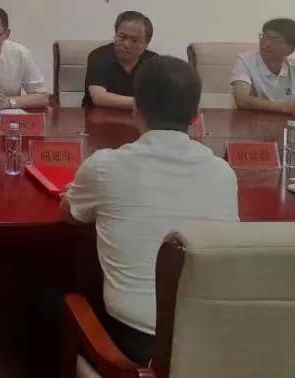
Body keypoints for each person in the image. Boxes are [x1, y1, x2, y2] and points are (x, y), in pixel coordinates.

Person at [63, 56, 238, 365]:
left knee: (52, 299)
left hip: (134, 347)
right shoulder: (223, 172)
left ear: (136, 109)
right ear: (195, 116)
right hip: (212, 343)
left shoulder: (105, 166)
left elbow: (69, 214)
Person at [83, 11, 157, 108]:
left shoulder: (154, 62)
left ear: (146, 43)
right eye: (122, 37)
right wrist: (143, 104)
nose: (126, 44)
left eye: (134, 40)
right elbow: (99, 98)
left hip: (138, 116)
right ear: (115, 35)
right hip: (98, 115)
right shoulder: (98, 56)